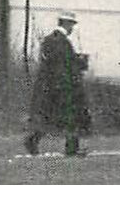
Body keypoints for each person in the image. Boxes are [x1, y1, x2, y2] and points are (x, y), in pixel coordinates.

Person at [25, 11, 91, 157]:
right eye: (72, 25)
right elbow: (65, 65)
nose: (72, 28)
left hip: (48, 86)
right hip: (62, 86)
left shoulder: (49, 40)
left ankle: (33, 140)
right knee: (71, 116)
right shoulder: (63, 42)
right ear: (67, 24)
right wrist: (80, 63)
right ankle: (71, 148)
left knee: (49, 117)